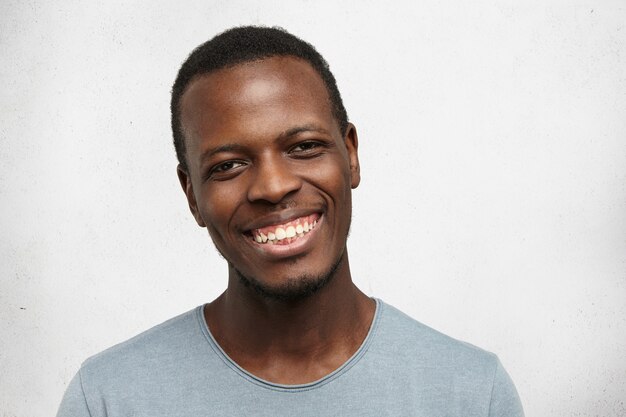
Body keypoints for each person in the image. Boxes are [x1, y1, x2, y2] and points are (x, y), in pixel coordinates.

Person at [57, 26, 524, 416]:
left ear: (351, 155)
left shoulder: (471, 393)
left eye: (303, 147)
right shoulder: (107, 400)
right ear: (191, 196)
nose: (273, 186)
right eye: (228, 165)